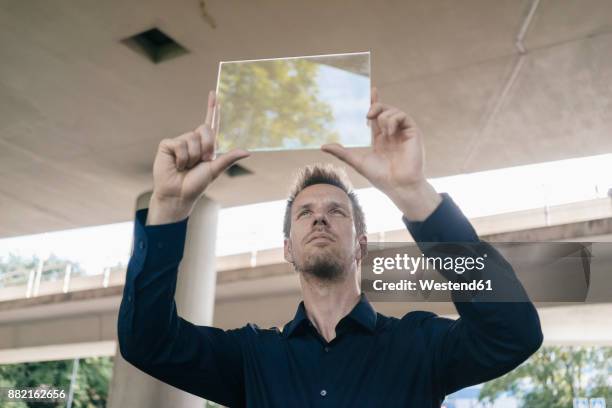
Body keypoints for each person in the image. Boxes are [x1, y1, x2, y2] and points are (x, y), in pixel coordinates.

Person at [117, 88, 543, 407]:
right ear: (287, 249)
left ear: (361, 245)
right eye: (304, 213)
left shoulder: (419, 345)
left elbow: (514, 334)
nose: (319, 217)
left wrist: (414, 194)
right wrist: (168, 208)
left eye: (336, 211)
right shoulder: (252, 357)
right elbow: (146, 342)